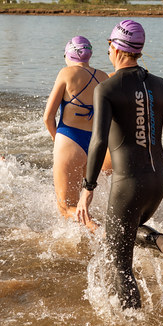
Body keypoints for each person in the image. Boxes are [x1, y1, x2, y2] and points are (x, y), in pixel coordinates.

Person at [75, 20, 163, 305]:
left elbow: (98, 142)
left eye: (108, 47)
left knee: (121, 267)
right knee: (123, 231)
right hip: (156, 182)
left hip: (128, 183)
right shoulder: (161, 85)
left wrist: (88, 186)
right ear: (138, 50)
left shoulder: (107, 88)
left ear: (115, 48)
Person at [42, 36, 112, 222]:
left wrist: (55, 137)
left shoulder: (66, 73)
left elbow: (48, 117)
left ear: (68, 55)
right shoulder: (103, 77)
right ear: (89, 55)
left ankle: (102, 236)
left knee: (66, 208)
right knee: (85, 203)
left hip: (70, 140)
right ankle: (93, 240)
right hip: (96, 146)